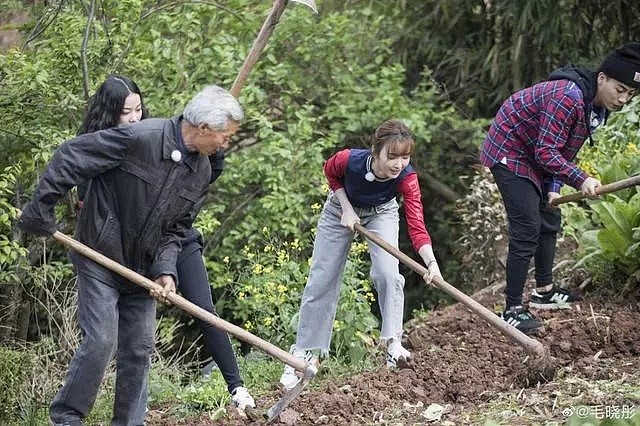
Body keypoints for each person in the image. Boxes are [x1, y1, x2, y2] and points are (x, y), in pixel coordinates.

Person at [17, 84, 244, 426]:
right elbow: (71, 155)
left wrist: (166, 270)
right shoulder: (140, 138)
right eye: (225, 137)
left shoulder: (201, 172)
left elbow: (177, 228)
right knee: (101, 340)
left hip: (143, 268)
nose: (226, 145)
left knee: (139, 349)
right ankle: (66, 418)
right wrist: (41, 208)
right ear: (203, 129)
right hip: (100, 255)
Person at [75, 75, 255, 410]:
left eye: (139, 110)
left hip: (174, 235)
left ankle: (237, 388)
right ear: (108, 113)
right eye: (125, 113)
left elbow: (196, 184)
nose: (134, 119)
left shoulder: (165, 138)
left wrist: (215, 147)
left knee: (202, 309)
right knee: (113, 339)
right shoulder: (106, 146)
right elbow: (92, 200)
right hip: (131, 247)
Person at [480, 43, 640, 333]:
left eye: (630, 94)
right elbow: (546, 152)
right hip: (510, 149)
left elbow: (563, 148)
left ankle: (544, 292)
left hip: (535, 151)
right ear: (602, 78)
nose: (623, 99)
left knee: (550, 218)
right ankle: (512, 309)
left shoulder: (595, 107)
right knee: (527, 227)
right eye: (620, 89)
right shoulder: (568, 96)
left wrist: (554, 185)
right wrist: (580, 178)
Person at [279, 119, 442, 390]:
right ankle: (305, 354)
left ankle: (393, 345)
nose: (398, 164)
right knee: (323, 279)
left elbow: (417, 224)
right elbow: (330, 173)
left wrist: (432, 264)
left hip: (382, 213)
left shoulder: (407, 178)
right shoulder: (349, 160)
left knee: (388, 274)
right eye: (392, 156)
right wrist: (345, 208)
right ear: (375, 151)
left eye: (405, 156)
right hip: (339, 211)